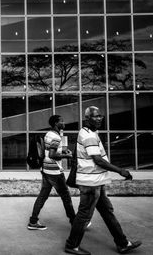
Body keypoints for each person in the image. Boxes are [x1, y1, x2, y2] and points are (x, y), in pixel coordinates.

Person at [64, 106, 142, 255]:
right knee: (84, 215)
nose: (100, 118)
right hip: (90, 184)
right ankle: (71, 245)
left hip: (96, 181)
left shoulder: (89, 132)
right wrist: (120, 171)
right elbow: (98, 160)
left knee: (107, 212)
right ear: (87, 118)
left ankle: (123, 243)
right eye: (95, 116)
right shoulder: (89, 136)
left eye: (100, 116)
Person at [27, 115, 76, 230]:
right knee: (66, 197)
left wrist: (62, 150)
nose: (64, 122)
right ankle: (75, 221)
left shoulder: (49, 134)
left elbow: (49, 149)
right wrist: (67, 155)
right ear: (56, 124)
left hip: (45, 169)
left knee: (43, 196)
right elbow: (52, 155)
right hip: (54, 172)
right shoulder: (56, 137)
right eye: (61, 121)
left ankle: (33, 221)